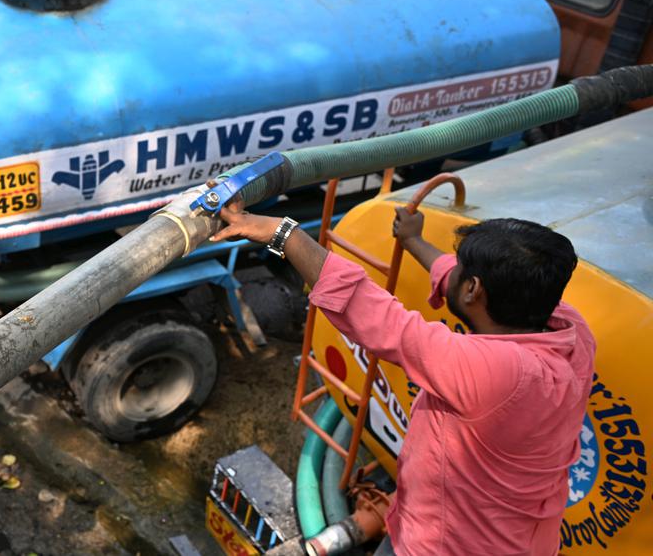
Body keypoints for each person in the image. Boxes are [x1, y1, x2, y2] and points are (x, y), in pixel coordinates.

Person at [212, 199, 594, 556]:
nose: (452, 270)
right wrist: (413, 241)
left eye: (461, 268)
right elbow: (461, 285)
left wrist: (284, 234)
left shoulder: (492, 372)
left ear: (475, 289)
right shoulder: (569, 331)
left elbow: (374, 314)